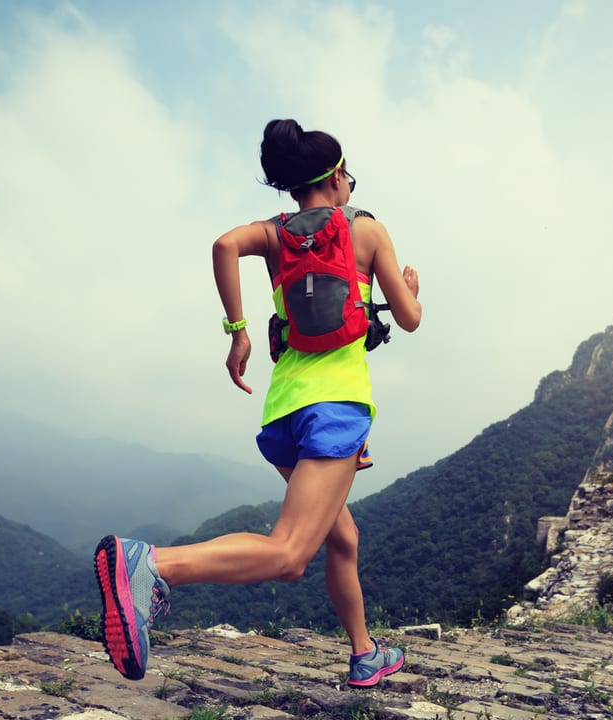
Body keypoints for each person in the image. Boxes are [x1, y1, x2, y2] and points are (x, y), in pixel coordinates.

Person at [94, 118, 423, 688]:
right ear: (338, 176)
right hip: (337, 407)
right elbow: (410, 319)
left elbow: (224, 244)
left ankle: (365, 651)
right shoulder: (367, 230)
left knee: (342, 536)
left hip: (285, 414)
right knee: (290, 553)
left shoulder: (274, 234)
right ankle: (150, 564)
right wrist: (409, 291)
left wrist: (238, 332)